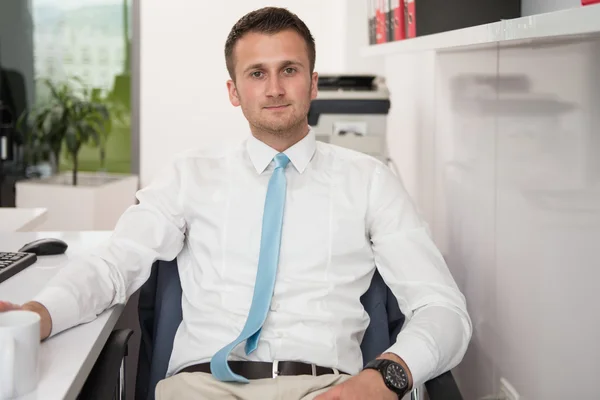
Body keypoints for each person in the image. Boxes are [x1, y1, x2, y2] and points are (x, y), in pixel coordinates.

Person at [0, 7, 472, 400]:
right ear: (234, 91)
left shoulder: (371, 181)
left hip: (326, 388)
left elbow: (443, 308)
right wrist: (39, 313)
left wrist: (383, 377)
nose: (274, 88)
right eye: (256, 73)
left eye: (289, 70)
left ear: (312, 83)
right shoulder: (190, 174)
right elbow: (113, 263)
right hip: (200, 387)